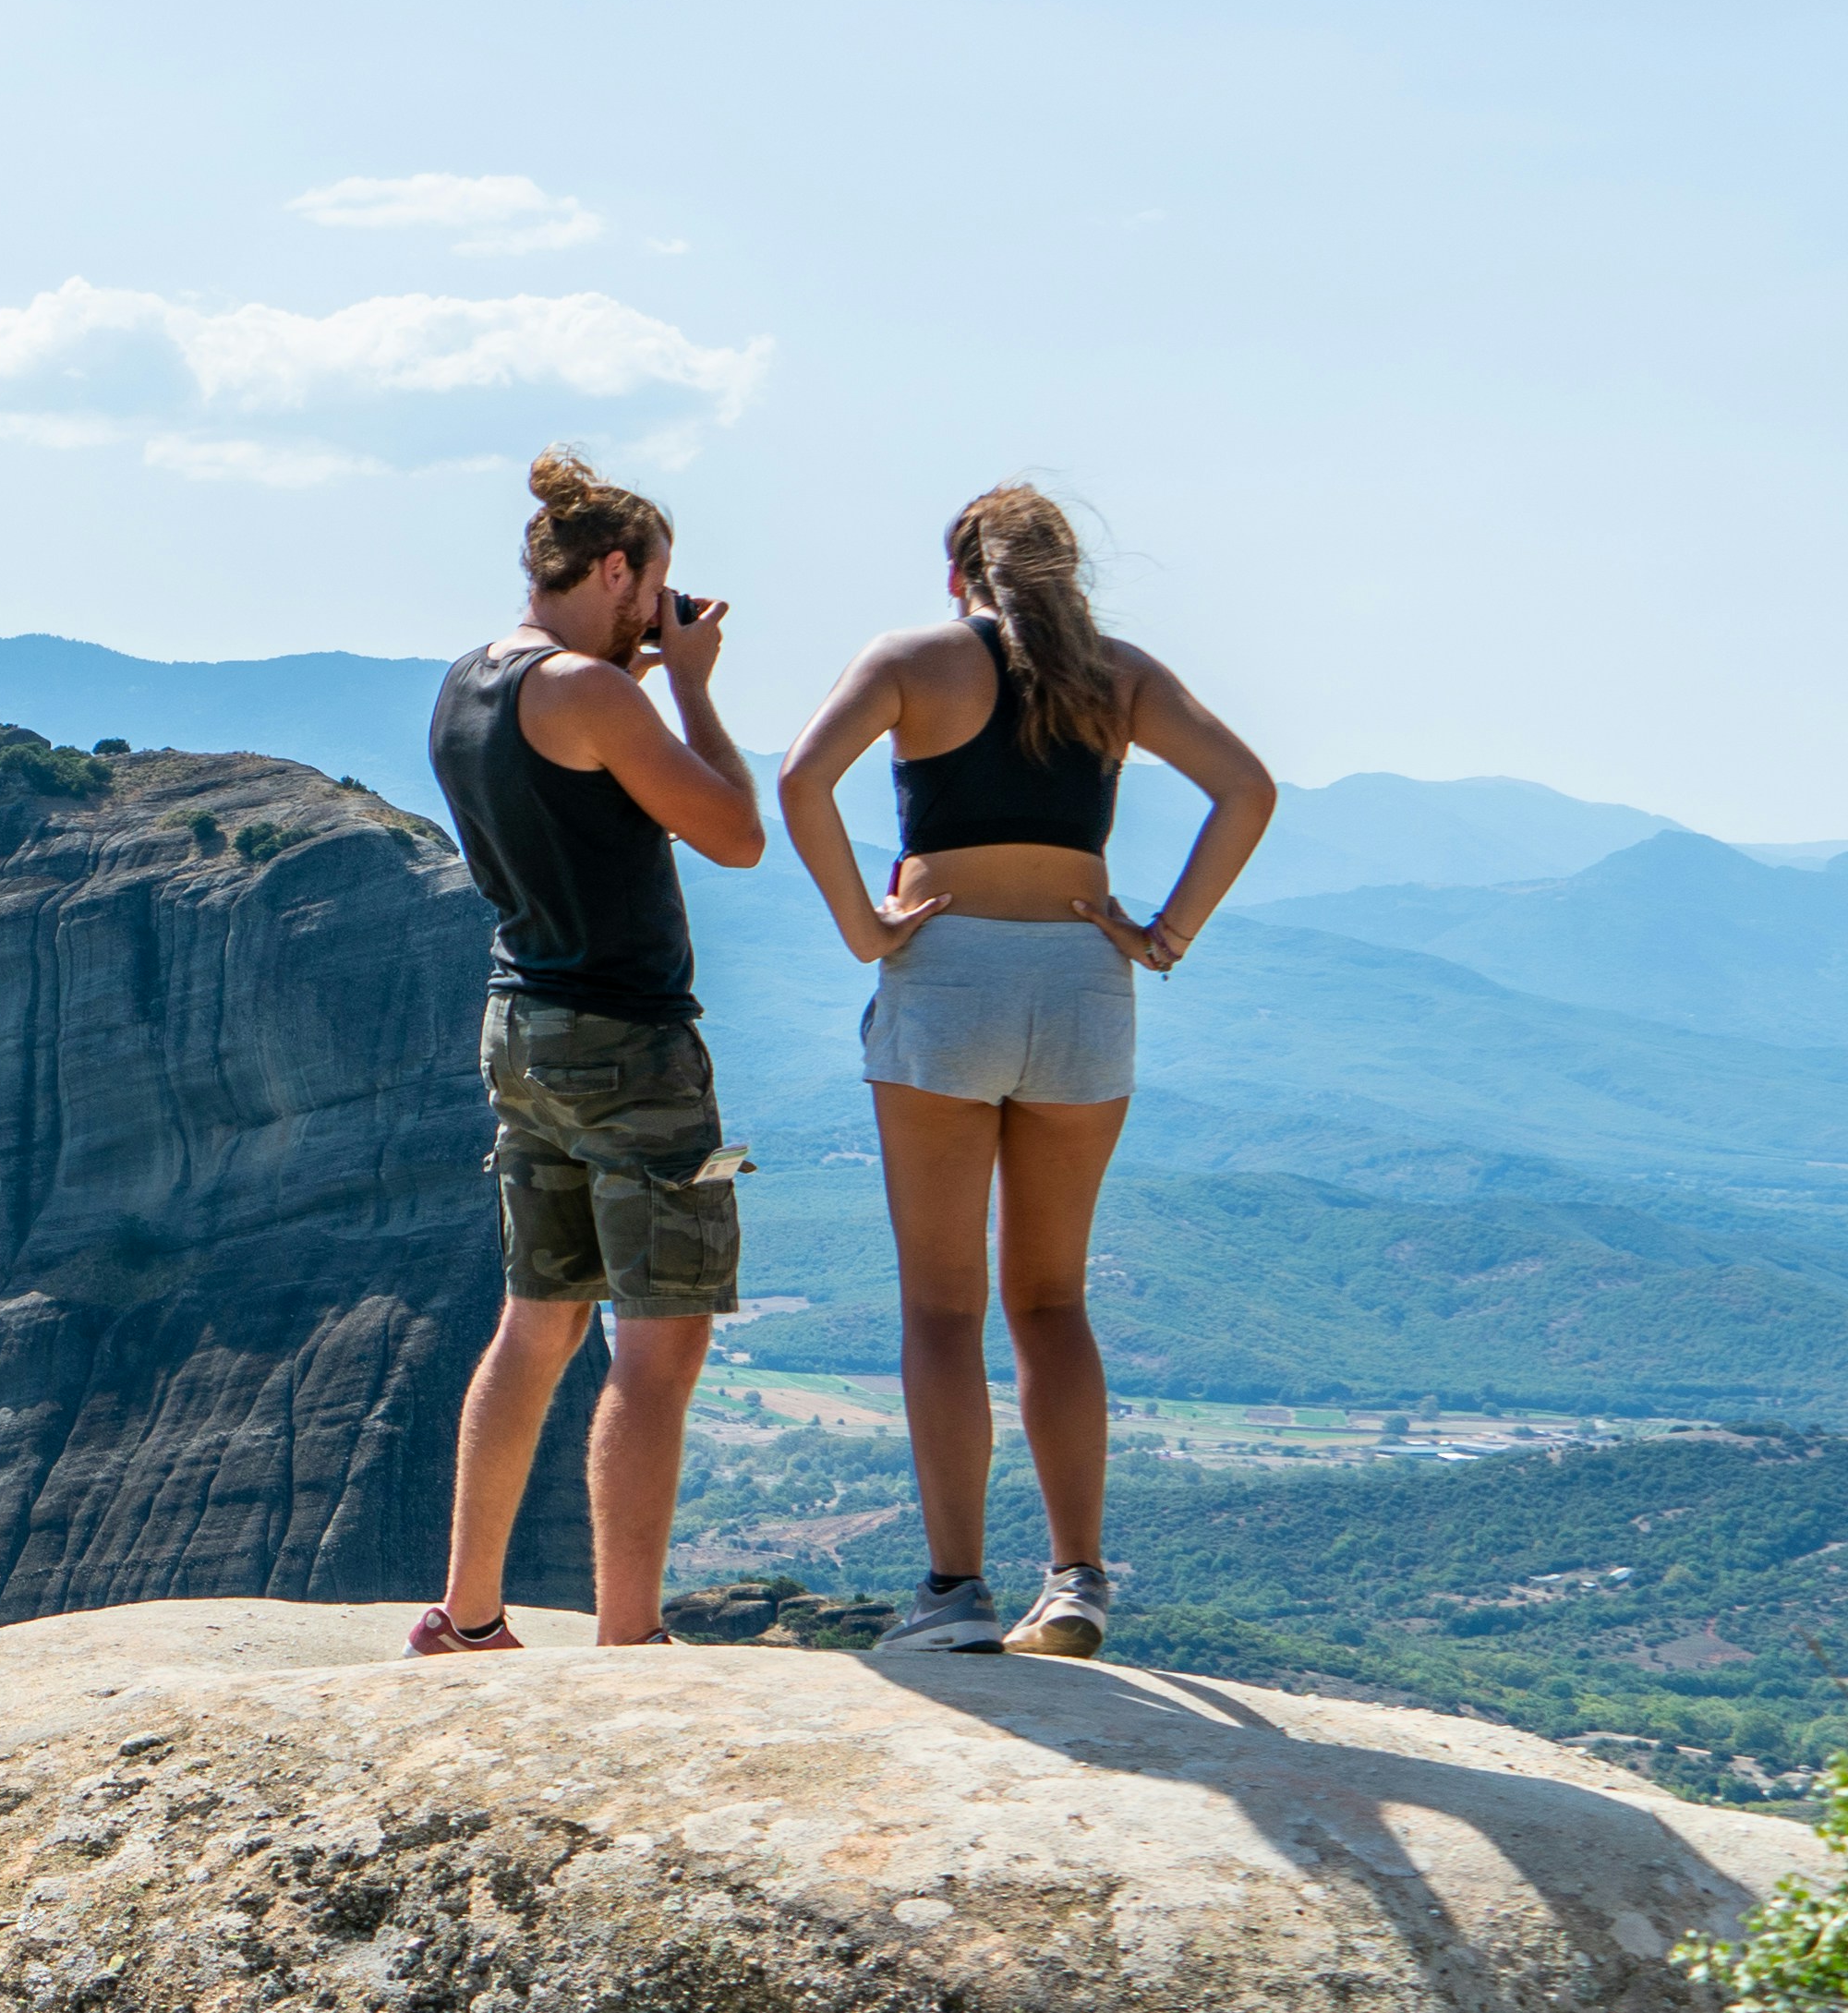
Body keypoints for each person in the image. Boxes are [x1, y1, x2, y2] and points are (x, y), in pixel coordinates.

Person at [772, 481, 1280, 1659]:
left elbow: (801, 779)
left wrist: (863, 925)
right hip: (1082, 985)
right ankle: (1077, 1582)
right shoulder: (1120, 676)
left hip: (945, 973)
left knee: (939, 1308)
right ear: (1066, 580)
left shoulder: (913, 657)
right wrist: (1163, 936)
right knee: (1051, 1302)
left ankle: (953, 1595)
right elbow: (1246, 790)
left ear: (960, 575)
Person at [414, 452, 764, 1653]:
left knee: (538, 1319)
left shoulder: (468, 682)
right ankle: (631, 1640)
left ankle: (467, 1616)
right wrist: (695, 686)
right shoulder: (595, 696)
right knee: (661, 1343)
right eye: (652, 590)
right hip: (633, 1045)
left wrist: (644, 661)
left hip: (519, 1029)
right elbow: (736, 833)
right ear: (615, 570)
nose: (658, 617)